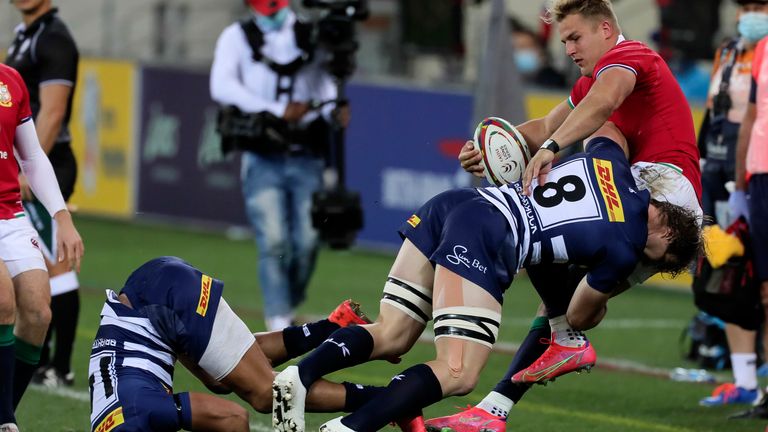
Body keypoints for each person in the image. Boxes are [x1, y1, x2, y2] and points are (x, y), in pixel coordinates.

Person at [271, 124, 702, 432]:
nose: (650, 265)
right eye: (661, 258)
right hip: (488, 235)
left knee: (393, 333)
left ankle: (302, 375)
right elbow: (576, 313)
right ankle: (350, 428)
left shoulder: (612, 163)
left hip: (455, 203)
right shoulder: (625, 249)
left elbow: (607, 126)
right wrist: (601, 299)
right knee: (458, 372)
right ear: (666, 230)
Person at [436, 0, 703, 430]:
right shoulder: (588, 84)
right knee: (567, 307)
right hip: (639, 199)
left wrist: (549, 149)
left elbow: (602, 105)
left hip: (665, 197)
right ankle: (495, 409)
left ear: (605, 29)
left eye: (576, 38)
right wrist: (488, 146)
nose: (570, 50)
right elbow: (544, 127)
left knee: (585, 150)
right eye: (564, 42)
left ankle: (558, 343)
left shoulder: (630, 56)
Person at [87, 256, 384, 432]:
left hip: (165, 300)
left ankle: (386, 399)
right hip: (151, 300)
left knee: (267, 395)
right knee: (223, 377)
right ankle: (335, 326)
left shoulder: (142, 413)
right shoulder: (129, 418)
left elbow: (233, 419)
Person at [210, 0, 348, 331]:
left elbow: (325, 81)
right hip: (262, 157)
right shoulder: (236, 36)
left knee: (307, 242)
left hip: (306, 155)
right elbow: (222, 85)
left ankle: (287, 300)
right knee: (272, 240)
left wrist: (329, 109)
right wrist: (274, 109)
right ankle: (278, 320)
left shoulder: (309, 33)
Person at [0, 62, 83, 432]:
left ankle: (4, 414)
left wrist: (61, 217)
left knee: (37, 312)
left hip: (10, 215)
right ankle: (5, 422)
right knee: (3, 302)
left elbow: (31, 156)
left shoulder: (10, 80)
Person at [695, 0, 768, 408]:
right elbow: (712, 110)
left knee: (762, 278)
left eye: (759, 5)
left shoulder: (763, 53)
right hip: (721, 170)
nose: (750, 14)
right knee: (728, 273)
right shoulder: (727, 50)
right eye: (745, 6)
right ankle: (743, 381)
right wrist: (701, 159)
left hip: (753, 169)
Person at [725, 6, 768, 420]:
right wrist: (740, 183)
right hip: (759, 179)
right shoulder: (763, 52)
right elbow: (752, 117)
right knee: (765, 290)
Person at [510, 17, 567, 89]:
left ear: (539, 51)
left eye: (524, 47)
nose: (519, 52)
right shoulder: (503, 78)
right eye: (515, 48)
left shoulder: (553, 79)